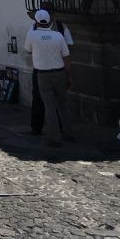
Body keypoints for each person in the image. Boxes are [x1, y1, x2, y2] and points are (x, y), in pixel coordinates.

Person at [24, 9, 73, 147]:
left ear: (36, 21)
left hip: (43, 75)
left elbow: (28, 49)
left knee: (49, 107)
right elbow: (67, 58)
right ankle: (68, 133)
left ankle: (54, 137)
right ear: (49, 20)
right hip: (60, 73)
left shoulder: (32, 35)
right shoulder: (58, 36)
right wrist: (69, 76)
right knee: (63, 105)